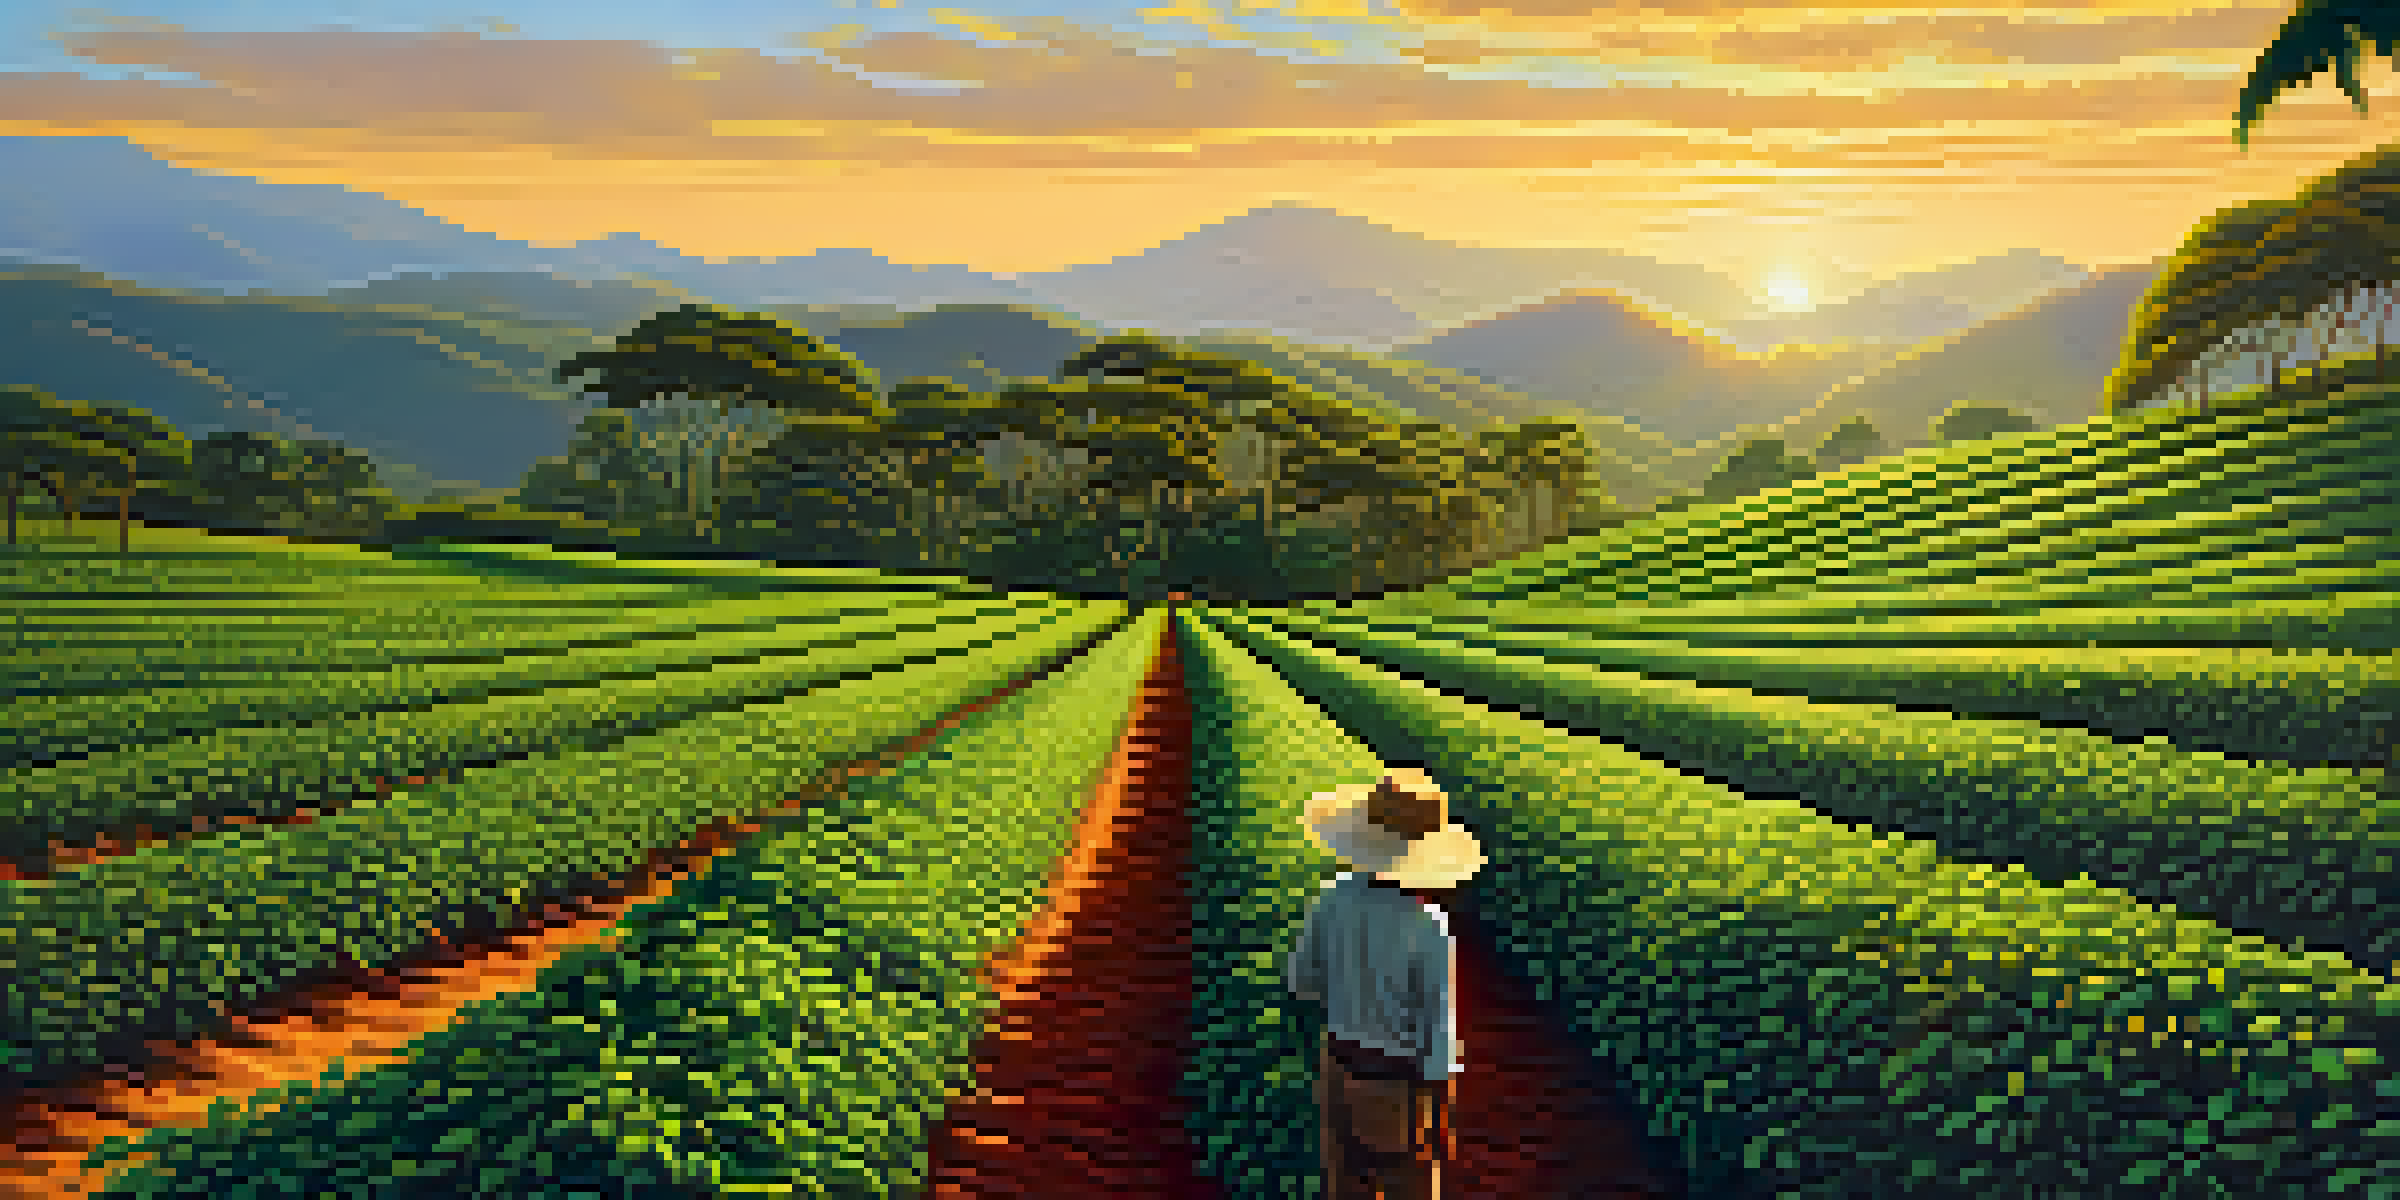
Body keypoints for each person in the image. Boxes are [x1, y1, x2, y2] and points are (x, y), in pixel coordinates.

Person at [1285, 768, 1487, 1200]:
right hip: (1395, 1086)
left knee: (1345, 1186)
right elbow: (1437, 1036)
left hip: (1337, 1068)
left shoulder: (1332, 896)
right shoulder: (1427, 925)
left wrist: (1350, 996)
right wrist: (1441, 1119)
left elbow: (1301, 981)